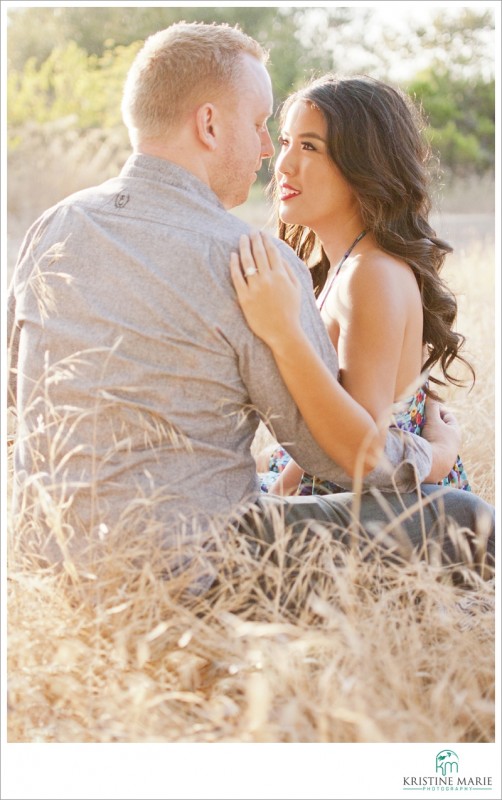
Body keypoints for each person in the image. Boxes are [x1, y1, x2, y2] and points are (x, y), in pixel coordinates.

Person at [7, 23, 494, 585]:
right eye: (265, 127)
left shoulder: (51, 227)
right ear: (210, 125)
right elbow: (340, 459)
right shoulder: (250, 261)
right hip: (197, 566)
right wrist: (436, 450)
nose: (270, 154)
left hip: (48, 555)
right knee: (467, 520)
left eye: (297, 142)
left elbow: (18, 397)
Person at [231, 75, 472, 498]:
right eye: (286, 142)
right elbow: (328, 432)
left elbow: (362, 450)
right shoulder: (344, 266)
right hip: (338, 494)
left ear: (364, 166)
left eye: (310, 147)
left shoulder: (371, 274)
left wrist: (441, 454)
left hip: (374, 519)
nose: (284, 164)